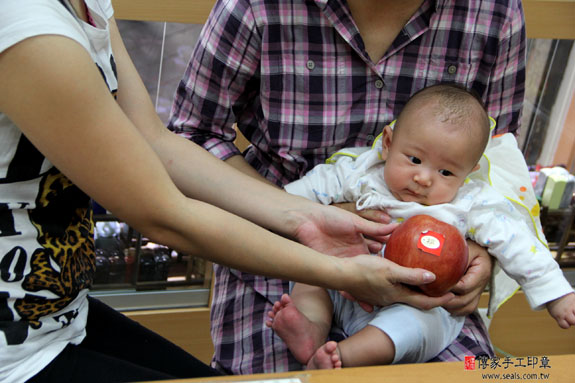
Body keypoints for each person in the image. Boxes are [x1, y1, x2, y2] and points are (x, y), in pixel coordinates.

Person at [0, 1, 456, 382]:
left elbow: (157, 144)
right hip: (15, 348)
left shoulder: (88, 4)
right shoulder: (28, 26)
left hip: (60, 315)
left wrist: (306, 217)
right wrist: (340, 272)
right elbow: (163, 212)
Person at [169, 0, 526, 373]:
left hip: (429, 280)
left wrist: (478, 248)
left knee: (466, 365)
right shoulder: (256, 7)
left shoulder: (495, 12)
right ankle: (312, 329)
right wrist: (298, 216)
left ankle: (349, 349)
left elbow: (501, 156)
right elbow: (192, 135)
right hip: (278, 245)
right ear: (387, 143)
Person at [266, 84, 575, 369]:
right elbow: (300, 194)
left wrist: (556, 294)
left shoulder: (472, 203)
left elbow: (518, 241)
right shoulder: (361, 173)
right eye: (414, 159)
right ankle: (311, 329)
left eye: (445, 171)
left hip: (417, 301)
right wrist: (280, 203)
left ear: (469, 172)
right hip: (344, 281)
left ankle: (342, 358)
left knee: (416, 327)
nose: (424, 178)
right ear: (388, 143)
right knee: (310, 276)